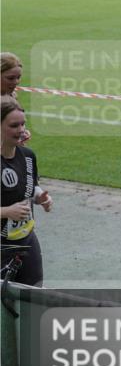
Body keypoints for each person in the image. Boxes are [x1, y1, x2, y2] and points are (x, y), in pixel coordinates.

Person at [1, 96, 52, 286]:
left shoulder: (28, 156)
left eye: (23, 124)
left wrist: (40, 197)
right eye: (14, 125)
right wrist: (6, 212)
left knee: (34, 292)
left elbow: (30, 185)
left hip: (27, 240)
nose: (21, 130)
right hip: (2, 246)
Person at [1, 53, 29, 144]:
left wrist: (22, 133)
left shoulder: (12, 96)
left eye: (18, 77)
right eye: (10, 78)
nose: (16, 82)